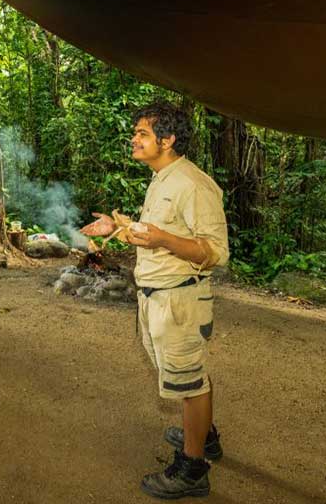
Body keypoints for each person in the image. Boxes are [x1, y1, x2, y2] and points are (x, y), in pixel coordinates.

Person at [82, 100, 229, 499]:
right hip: (157, 297)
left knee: (190, 379)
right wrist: (117, 228)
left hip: (180, 301)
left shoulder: (194, 185)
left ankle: (193, 468)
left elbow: (216, 251)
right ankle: (205, 435)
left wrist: (162, 239)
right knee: (184, 373)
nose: (134, 139)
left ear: (168, 139)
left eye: (142, 133)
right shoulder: (162, 178)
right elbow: (156, 230)